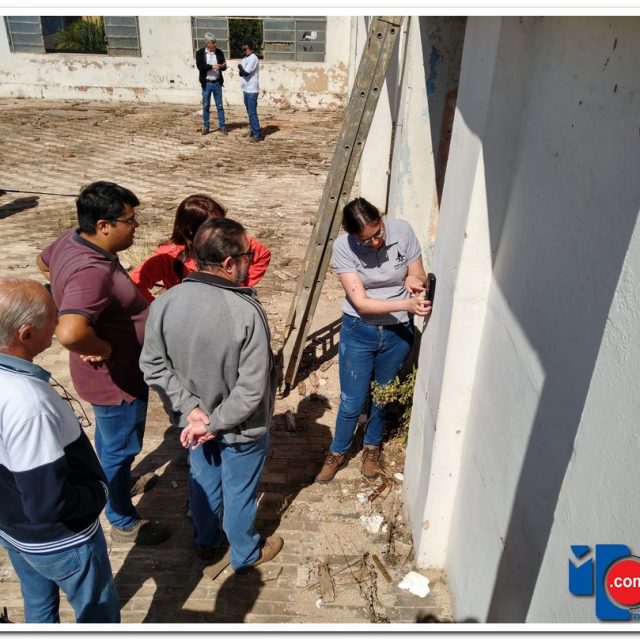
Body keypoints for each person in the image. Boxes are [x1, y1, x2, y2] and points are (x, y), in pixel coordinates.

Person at [140, 217, 283, 575]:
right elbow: (251, 389)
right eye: (248, 256)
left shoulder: (166, 303)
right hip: (241, 428)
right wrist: (214, 423)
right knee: (240, 492)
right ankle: (245, 553)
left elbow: (153, 366)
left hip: (193, 425)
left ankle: (206, 542)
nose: (251, 262)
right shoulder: (245, 311)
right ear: (229, 263)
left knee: (203, 480)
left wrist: (192, 412)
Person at [36, 181, 170, 546]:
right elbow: (70, 332)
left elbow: (44, 262)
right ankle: (121, 518)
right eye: (130, 220)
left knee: (113, 444)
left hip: (109, 378)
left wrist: (68, 294)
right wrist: (103, 347)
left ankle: (118, 484)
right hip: (115, 382)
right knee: (119, 449)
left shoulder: (72, 240)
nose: (136, 225)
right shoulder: (91, 272)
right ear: (103, 225)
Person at [0, 277, 120, 623]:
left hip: (14, 530)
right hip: (61, 541)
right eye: (52, 317)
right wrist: (96, 493)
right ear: (25, 334)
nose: (57, 324)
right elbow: (47, 504)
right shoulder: (29, 404)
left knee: (38, 605)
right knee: (99, 615)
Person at [315, 197, 432, 483]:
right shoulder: (343, 247)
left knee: (383, 393)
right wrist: (406, 305)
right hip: (360, 330)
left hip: (397, 333)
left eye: (378, 233)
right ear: (352, 236)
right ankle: (338, 451)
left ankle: (372, 447)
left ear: (381, 219)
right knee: (352, 400)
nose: (376, 242)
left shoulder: (402, 231)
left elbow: (418, 272)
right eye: (366, 241)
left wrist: (415, 282)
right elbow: (362, 303)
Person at [130, 194, 271, 302]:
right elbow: (134, 284)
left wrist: (239, 285)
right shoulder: (169, 256)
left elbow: (262, 254)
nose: (221, 230)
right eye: (213, 226)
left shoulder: (232, 240)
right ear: (191, 230)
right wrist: (157, 309)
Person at [196, 33, 227, 135]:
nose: (215, 44)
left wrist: (222, 66)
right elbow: (200, 67)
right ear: (207, 43)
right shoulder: (200, 53)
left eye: (215, 42)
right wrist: (212, 66)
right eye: (213, 42)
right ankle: (206, 127)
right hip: (206, 83)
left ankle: (222, 127)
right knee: (206, 106)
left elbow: (224, 66)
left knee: (220, 106)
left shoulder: (219, 52)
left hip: (217, 83)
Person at [237, 39, 262, 142]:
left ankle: (257, 134)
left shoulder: (253, 58)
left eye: (244, 45)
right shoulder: (244, 58)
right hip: (245, 89)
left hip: (252, 89)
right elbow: (241, 73)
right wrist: (241, 69)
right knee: (249, 112)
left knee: (252, 113)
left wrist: (240, 68)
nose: (242, 47)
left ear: (248, 46)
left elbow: (245, 72)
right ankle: (253, 130)